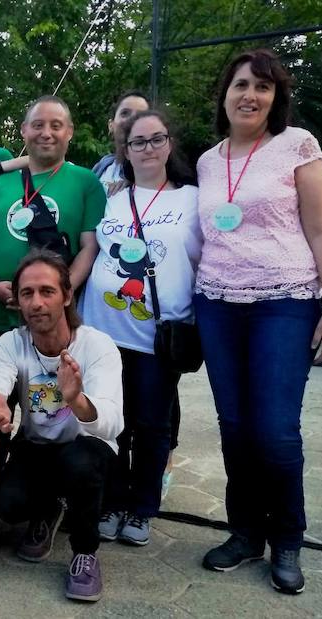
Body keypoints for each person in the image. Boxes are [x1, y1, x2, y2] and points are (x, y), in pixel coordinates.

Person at [194, 49, 322, 595]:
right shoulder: (209, 161)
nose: (249, 95)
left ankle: (286, 539)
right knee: (235, 428)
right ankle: (244, 533)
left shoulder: (297, 146)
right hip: (216, 303)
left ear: (276, 96)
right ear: (225, 95)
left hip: (284, 301)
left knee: (275, 431)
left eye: (262, 87)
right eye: (240, 85)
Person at [0, 249, 122, 602]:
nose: (37, 303)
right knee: (9, 506)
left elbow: (112, 423)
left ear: (67, 295)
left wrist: (78, 400)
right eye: (27, 293)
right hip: (36, 447)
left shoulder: (98, 346)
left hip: (86, 449)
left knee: (80, 462)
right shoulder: (12, 343)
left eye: (47, 291)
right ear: (18, 301)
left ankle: (85, 552)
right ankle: (48, 508)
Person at [80, 110, 201, 546]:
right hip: (102, 331)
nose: (148, 149)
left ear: (169, 144)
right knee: (114, 424)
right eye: (138, 142)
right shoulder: (107, 198)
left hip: (158, 336)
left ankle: (143, 507)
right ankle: (111, 500)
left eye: (156, 139)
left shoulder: (192, 199)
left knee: (152, 424)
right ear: (124, 150)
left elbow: (205, 261)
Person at [0, 95, 106, 339]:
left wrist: (59, 292)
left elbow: (90, 247)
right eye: (38, 125)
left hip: (57, 318)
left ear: (69, 131)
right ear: (24, 130)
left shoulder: (86, 182)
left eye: (56, 126)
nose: (46, 133)